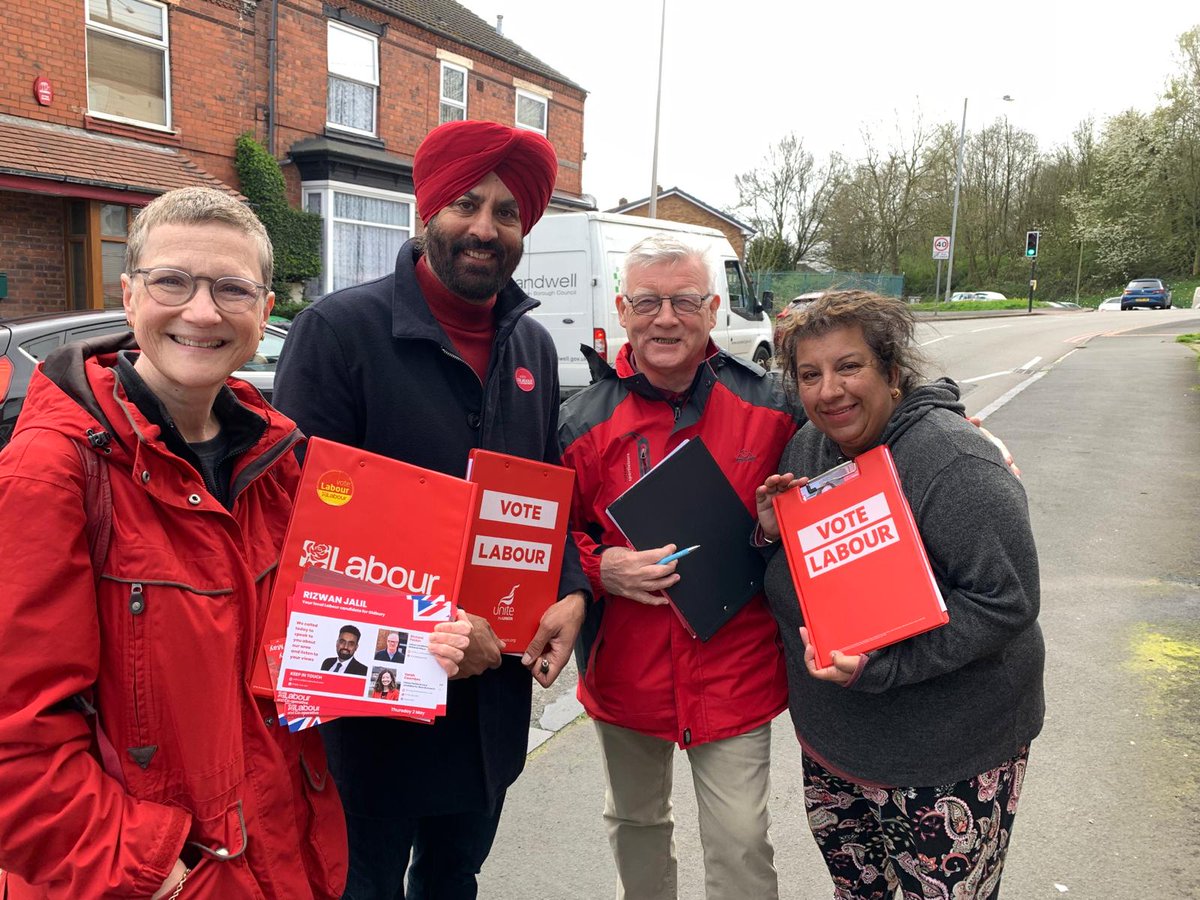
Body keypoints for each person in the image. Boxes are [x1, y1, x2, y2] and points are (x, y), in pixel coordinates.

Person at [0, 187, 444, 899]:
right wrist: (154, 874)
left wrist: (415, 644)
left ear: (265, 311)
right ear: (130, 293)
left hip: (285, 860)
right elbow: (15, 744)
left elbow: (313, 653)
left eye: (231, 288)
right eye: (173, 281)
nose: (201, 312)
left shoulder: (281, 464)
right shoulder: (50, 470)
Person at [273, 119, 591, 900]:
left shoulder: (534, 349)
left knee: (454, 879)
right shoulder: (339, 333)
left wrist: (573, 587)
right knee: (364, 886)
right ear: (427, 211)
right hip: (371, 711)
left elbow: (545, 488)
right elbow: (302, 537)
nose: (484, 228)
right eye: (465, 204)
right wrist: (435, 626)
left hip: (486, 710)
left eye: (507, 213)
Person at [755, 290, 1045, 899]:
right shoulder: (808, 448)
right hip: (837, 749)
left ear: (891, 373)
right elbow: (804, 577)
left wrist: (883, 668)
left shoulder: (953, 460)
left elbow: (1006, 601)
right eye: (810, 374)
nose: (828, 390)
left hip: (947, 761)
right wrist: (768, 533)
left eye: (849, 366)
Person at [557, 234, 801, 900]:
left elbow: (859, 435)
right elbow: (548, 539)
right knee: (635, 824)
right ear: (622, 309)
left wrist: (945, 422)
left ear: (714, 308)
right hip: (626, 671)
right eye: (648, 301)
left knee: (741, 842)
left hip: (736, 668)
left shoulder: (774, 408)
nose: (666, 318)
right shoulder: (577, 426)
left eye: (685, 301)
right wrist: (600, 567)